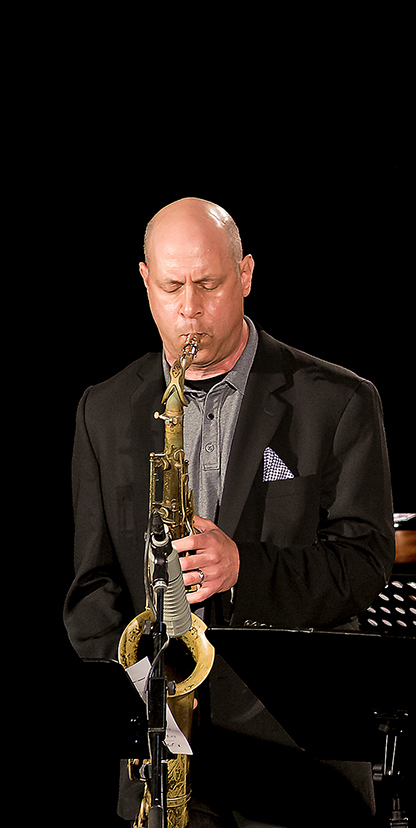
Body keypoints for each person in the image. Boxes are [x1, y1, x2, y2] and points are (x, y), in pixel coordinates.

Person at [65, 197, 395, 827]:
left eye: (209, 285)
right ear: (145, 282)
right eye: (171, 287)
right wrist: (148, 689)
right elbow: (90, 587)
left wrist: (245, 566)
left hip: (300, 765)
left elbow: (365, 565)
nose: (189, 309)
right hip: (162, 756)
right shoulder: (102, 410)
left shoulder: (340, 402)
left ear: (245, 275)